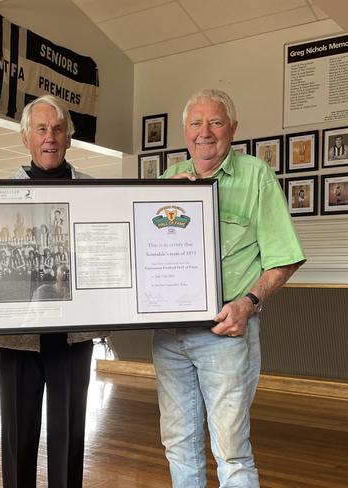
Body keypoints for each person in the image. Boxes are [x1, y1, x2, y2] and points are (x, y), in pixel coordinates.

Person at [154, 89, 306, 488]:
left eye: (216, 122)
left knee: (232, 451)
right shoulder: (168, 179)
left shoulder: (256, 175)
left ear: (233, 129)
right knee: (178, 442)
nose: (205, 132)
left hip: (225, 333)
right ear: (184, 132)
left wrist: (248, 303)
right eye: (195, 123)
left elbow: (284, 255)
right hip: (170, 337)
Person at [0, 94, 108, 488]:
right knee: (17, 437)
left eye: (58, 129)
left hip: (74, 336)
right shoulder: (0, 194)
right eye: (41, 129)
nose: (50, 137)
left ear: (69, 138)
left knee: (70, 436)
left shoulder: (95, 191)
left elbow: (107, 255)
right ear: (26, 138)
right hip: (18, 336)